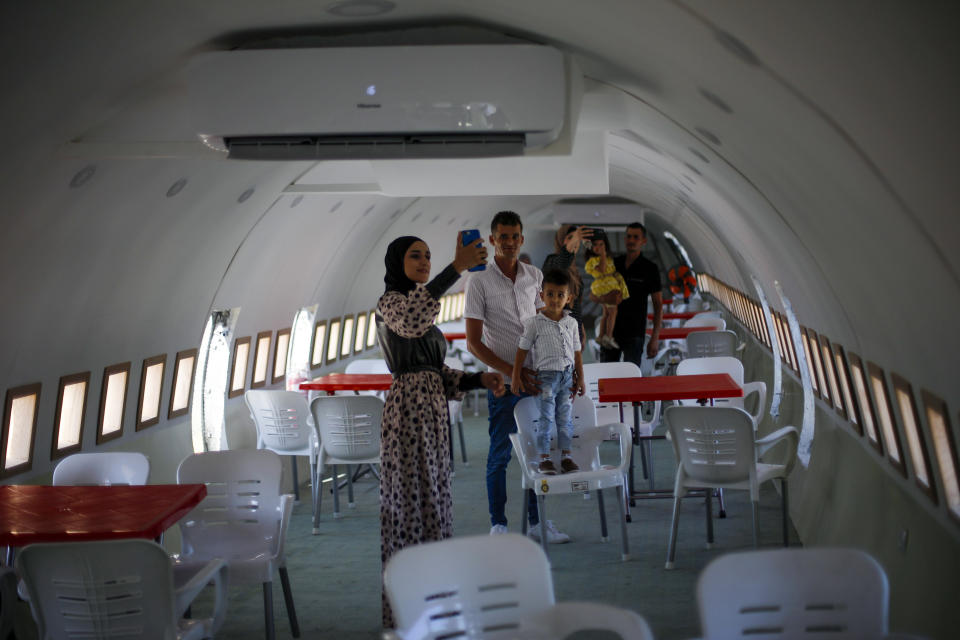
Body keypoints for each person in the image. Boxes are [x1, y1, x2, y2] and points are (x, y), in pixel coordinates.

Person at [376, 234, 506, 628]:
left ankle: (436, 600)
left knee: (435, 504)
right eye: (415, 256)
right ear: (397, 262)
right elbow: (414, 323)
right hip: (407, 418)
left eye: (429, 257)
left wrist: (479, 379)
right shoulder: (392, 304)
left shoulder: (420, 302)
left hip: (430, 415)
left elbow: (436, 373)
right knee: (410, 508)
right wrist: (457, 267)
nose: (424, 261)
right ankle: (407, 609)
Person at [464, 210, 571, 544]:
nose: (509, 242)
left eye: (514, 236)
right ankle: (498, 524)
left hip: (538, 378)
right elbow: (473, 342)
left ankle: (538, 523)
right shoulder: (478, 281)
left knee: (538, 451)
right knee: (500, 454)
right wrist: (512, 372)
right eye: (503, 237)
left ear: (522, 239)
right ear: (493, 240)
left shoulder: (534, 276)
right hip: (503, 383)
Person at [512, 269, 585, 474]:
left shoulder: (571, 323)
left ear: (568, 298)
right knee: (545, 417)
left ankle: (566, 456)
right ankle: (544, 458)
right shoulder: (534, 323)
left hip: (567, 377)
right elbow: (522, 350)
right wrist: (516, 376)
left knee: (564, 417)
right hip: (546, 380)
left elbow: (577, 352)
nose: (555, 299)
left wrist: (580, 378)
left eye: (560, 295)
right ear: (541, 296)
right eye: (550, 294)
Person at [591, 222, 663, 367]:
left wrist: (655, 337)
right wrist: (605, 298)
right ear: (624, 239)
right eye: (629, 236)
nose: (631, 240)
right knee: (607, 376)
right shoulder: (613, 264)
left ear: (643, 241)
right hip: (610, 333)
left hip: (635, 333)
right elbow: (593, 295)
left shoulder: (650, 268)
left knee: (631, 378)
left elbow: (658, 305)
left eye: (636, 237)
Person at [542, 225, 594, 347]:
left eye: (576, 239)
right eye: (570, 238)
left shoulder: (575, 270)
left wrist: (581, 330)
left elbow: (576, 305)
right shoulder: (552, 261)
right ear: (560, 241)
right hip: (558, 332)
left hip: (574, 332)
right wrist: (576, 238)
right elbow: (562, 262)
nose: (575, 242)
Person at [585, 230, 630, 350]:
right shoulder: (594, 260)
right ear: (591, 247)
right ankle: (609, 336)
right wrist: (603, 255)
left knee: (606, 313)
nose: (599, 248)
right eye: (595, 245)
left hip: (607, 284)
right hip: (605, 286)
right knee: (613, 312)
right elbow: (603, 269)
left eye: (601, 245)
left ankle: (600, 336)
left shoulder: (608, 258)